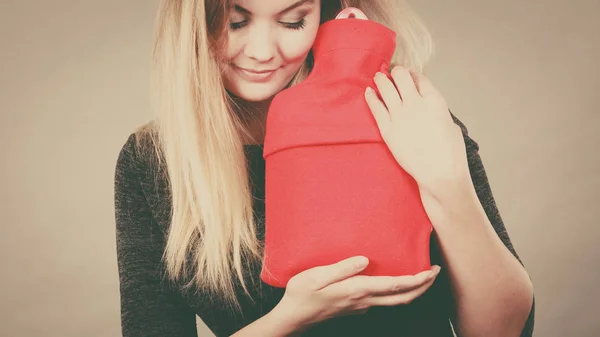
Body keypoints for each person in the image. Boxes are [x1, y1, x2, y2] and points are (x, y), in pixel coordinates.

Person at [114, 0, 536, 336]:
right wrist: (294, 316)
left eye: (294, 21)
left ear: (328, 12)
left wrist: (448, 181)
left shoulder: (403, 114)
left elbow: (504, 330)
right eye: (235, 21)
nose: (262, 52)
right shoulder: (151, 161)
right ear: (193, 24)